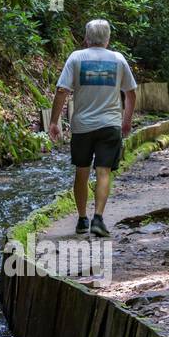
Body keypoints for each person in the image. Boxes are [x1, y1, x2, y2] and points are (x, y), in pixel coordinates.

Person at [48, 18, 136, 238]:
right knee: (104, 171)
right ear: (108, 39)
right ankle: (98, 218)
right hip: (110, 124)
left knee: (82, 171)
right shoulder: (118, 59)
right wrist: (126, 121)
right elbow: (131, 92)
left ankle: (81, 219)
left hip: (82, 126)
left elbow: (61, 91)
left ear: (86, 38)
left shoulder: (76, 57)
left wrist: (53, 122)